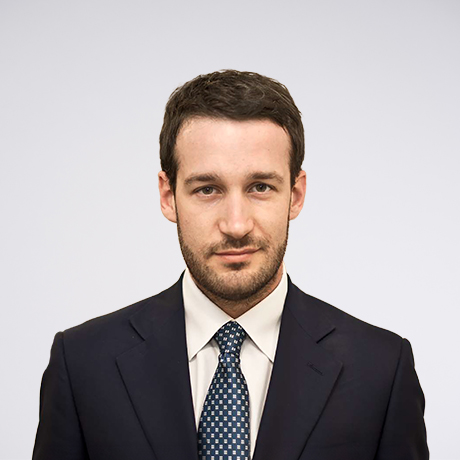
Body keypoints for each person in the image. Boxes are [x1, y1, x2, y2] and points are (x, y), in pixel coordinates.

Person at [32, 70, 429, 460]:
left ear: (295, 194)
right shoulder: (83, 364)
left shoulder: (380, 370)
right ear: (168, 196)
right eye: (207, 189)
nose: (236, 225)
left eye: (261, 187)